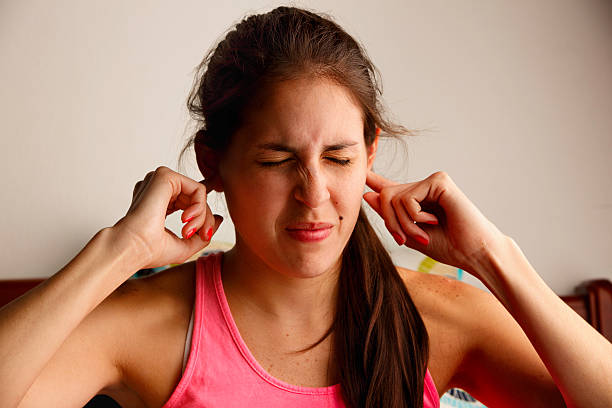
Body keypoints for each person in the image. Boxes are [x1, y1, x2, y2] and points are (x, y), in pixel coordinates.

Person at [1, 5, 610, 408]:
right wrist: (119, 250)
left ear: (372, 153)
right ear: (213, 163)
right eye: (275, 160)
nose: (314, 194)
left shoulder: (441, 319)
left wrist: (494, 257)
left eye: (341, 158)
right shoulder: (152, 326)